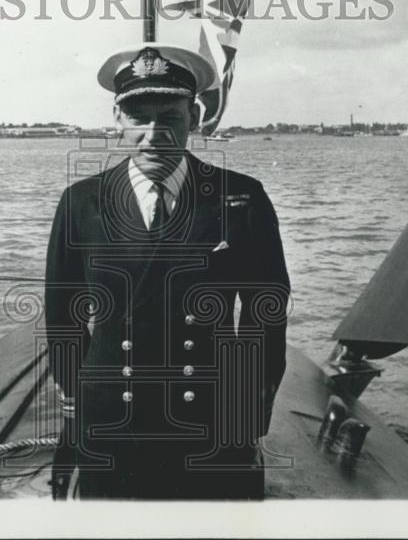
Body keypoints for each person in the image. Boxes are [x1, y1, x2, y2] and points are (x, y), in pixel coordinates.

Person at [43, 43, 291, 500]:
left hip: (209, 417)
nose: (153, 134)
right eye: (138, 118)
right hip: (111, 420)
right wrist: (75, 409)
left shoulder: (240, 198)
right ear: (117, 118)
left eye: (169, 118)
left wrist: (250, 413)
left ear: (194, 118)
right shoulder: (81, 203)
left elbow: (265, 317)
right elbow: (63, 316)